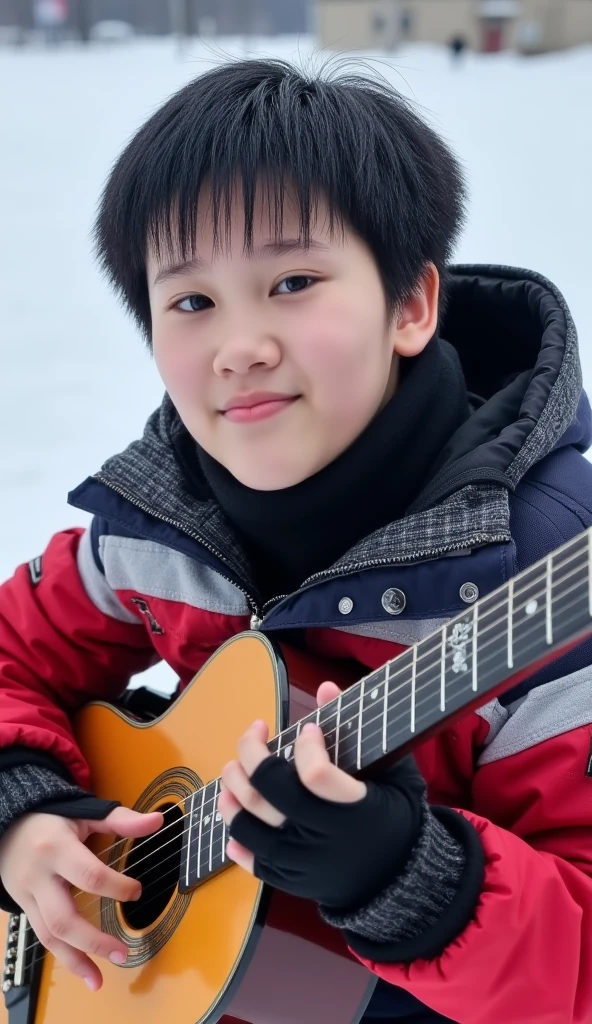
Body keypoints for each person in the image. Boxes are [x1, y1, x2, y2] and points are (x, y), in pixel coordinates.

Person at [0, 59, 591, 1024]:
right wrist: (20, 809)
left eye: (293, 282)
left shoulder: (540, 571)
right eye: (192, 303)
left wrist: (416, 884)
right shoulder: (163, 525)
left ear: (410, 305)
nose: (241, 346)